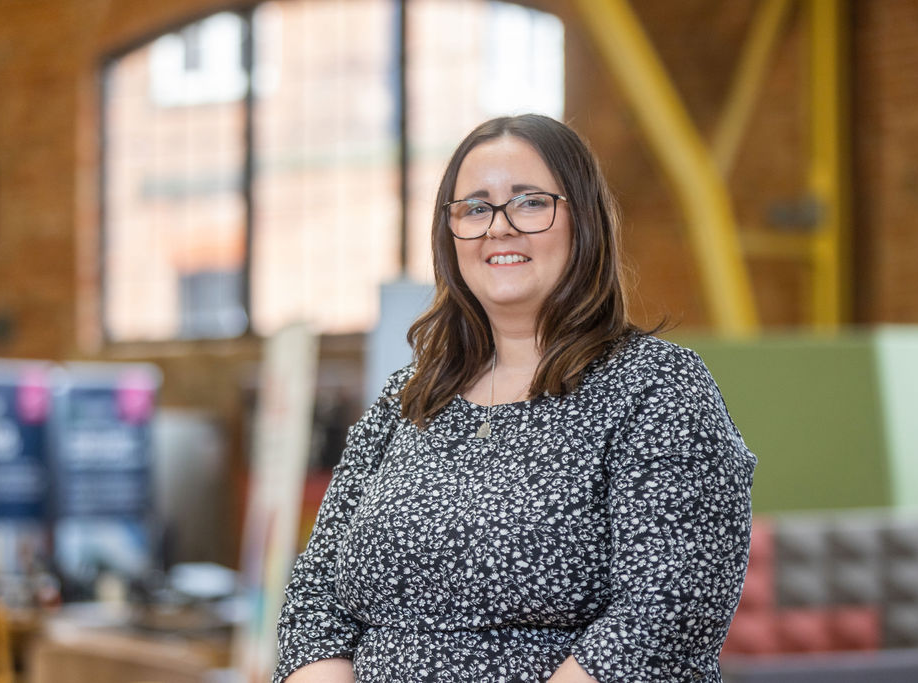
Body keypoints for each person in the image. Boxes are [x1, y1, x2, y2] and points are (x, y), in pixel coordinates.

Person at [273, 114, 756, 683]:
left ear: (584, 221)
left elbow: (667, 613)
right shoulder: (407, 399)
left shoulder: (655, 388)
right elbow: (313, 599)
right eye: (475, 209)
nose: (499, 227)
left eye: (529, 203)